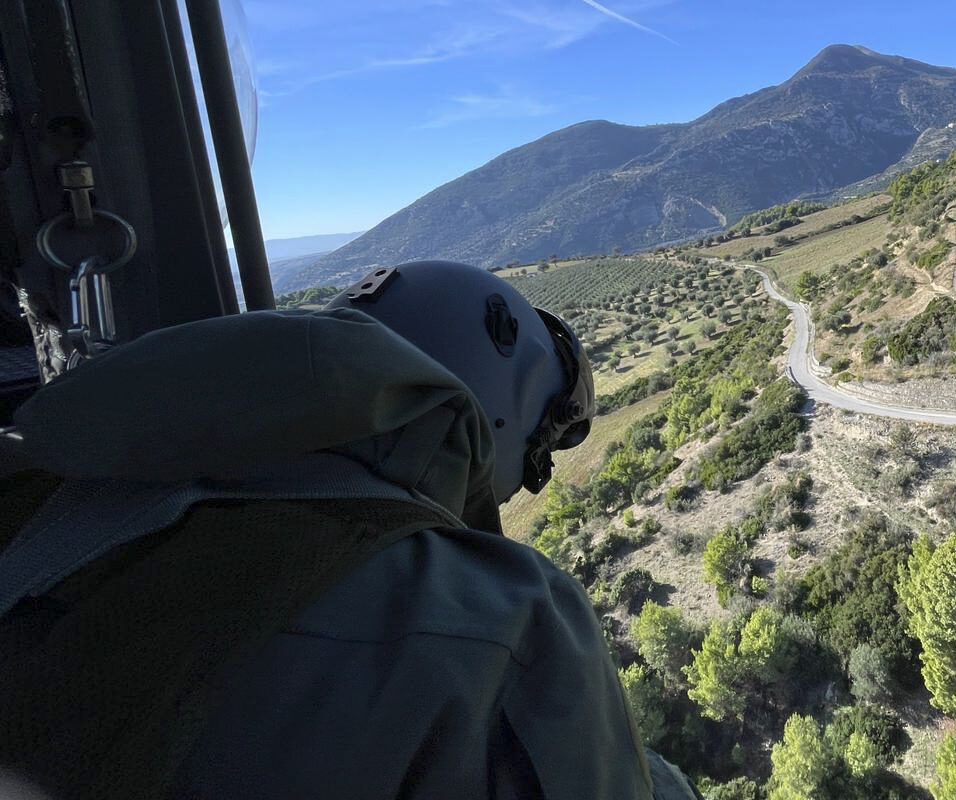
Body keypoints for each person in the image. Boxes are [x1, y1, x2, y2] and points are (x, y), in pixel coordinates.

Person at [0, 262, 686, 799]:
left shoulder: (49, 493)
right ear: (494, 409)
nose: (526, 484)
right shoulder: (499, 622)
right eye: (535, 453)